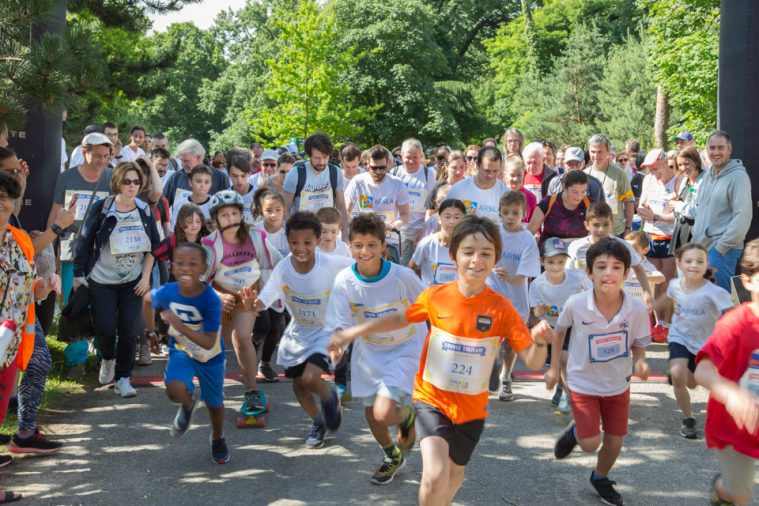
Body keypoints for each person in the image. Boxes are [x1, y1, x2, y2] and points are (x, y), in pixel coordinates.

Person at [330, 214, 554, 504]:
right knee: (434, 475)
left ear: (496, 257)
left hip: (471, 410)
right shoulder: (436, 296)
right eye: (468, 252)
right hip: (430, 400)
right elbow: (398, 317)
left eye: (486, 253)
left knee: (454, 475)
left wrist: (539, 341)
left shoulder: (502, 308)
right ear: (454, 255)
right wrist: (354, 331)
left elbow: (534, 362)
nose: (476, 260)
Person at [548, 238, 651, 506]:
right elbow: (559, 331)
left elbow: (640, 344)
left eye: (617, 267)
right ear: (589, 272)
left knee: (615, 444)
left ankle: (600, 476)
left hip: (618, 385)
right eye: (601, 267)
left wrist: (640, 361)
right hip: (582, 382)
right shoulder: (576, 303)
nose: (609, 273)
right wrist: (554, 367)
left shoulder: (637, 309)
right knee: (590, 443)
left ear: (626, 274)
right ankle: (576, 433)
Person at [325, 213, 426, 485]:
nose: (364, 251)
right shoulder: (345, 280)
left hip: (406, 349)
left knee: (383, 411)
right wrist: (338, 345)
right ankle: (393, 456)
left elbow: (428, 307)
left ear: (384, 245)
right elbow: (340, 322)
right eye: (358, 245)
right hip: (369, 353)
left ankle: (407, 414)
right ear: (350, 246)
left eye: (371, 245)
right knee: (372, 415)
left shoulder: (402, 277)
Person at [240, 212, 349, 448]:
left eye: (307, 243)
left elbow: (362, 269)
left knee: (311, 379)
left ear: (318, 241)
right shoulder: (283, 268)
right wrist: (253, 305)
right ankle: (318, 422)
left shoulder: (331, 264)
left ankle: (329, 396)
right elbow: (265, 298)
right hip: (299, 334)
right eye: (294, 242)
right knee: (299, 387)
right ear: (287, 241)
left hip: (326, 332)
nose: (300, 248)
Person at [74, 161, 161, 397]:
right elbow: (84, 241)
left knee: (128, 330)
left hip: (133, 281)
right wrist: (78, 275)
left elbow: (155, 247)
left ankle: (124, 377)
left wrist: (145, 278)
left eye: (136, 181)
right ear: (117, 183)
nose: (132, 186)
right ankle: (108, 358)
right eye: (127, 181)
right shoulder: (102, 208)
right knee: (104, 327)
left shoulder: (144, 210)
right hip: (102, 280)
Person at [0, 172, 60, 502]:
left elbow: (26, 291)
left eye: (6, 197)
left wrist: (43, 286)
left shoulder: (18, 240)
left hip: (9, 347)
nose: (1, 203)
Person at [143, 242, 229, 464]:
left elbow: (210, 342)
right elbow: (147, 300)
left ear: (203, 269)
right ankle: (188, 404)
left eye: (193, 264)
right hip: (182, 350)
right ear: (172, 267)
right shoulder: (169, 291)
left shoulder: (210, 299)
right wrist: (151, 332)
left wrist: (180, 327)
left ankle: (218, 437)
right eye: (180, 263)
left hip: (210, 357)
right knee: (173, 389)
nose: (185, 269)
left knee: (215, 404)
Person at [201, 190, 282, 419]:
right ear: (216, 220)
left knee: (242, 337)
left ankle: (251, 390)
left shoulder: (255, 237)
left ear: (241, 215)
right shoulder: (209, 244)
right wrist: (216, 296)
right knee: (215, 345)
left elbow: (277, 264)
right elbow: (198, 280)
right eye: (224, 215)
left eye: (234, 214)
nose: (230, 220)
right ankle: (212, 387)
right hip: (220, 296)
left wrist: (264, 296)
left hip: (247, 294)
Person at [694, 239, 759, 506]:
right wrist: (732, 395)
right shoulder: (735, 323)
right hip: (735, 427)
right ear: (748, 280)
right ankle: (722, 490)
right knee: (740, 495)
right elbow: (703, 372)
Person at [654, 244, 733, 440]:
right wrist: (647, 309)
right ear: (679, 264)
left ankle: (686, 375)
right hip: (679, 337)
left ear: (707, 265)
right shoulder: (675, 285)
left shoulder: (715, 292)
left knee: (693, 383)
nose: (694, 265)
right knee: (679, 375)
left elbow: (731, 316)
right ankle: (688, 419)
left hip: (704, 345)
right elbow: (666, 297)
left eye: (700, 261)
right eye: (688, 261)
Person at [49, 132, 114, 305]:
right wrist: (49, 249)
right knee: (73, 301)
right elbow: (55, 213)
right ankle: (72, 332)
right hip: (72, 248)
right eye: (97, 156)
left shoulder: (112, 178)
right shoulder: (66, 178)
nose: (102, 161)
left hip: (100, 252)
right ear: (84, 151)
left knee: (98, 303)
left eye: (106, 156)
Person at [487, 191, 540, 402]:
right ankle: (491, 364)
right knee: (489, 337)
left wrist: (510, 277)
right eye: (506, 212)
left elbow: (523, 277)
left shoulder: (527, 240)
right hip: (491, 293)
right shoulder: (493, 232)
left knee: (511, 345)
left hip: (516, 298)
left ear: (524, 214)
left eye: (515, 213)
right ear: (500, 212)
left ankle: (506, 377)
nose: (510, 216)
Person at [528, 237, 591, 416]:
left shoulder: (576, 278)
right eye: (550, 262)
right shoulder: (537, 285)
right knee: (560, 362)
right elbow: (535, 314)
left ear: (567, 261)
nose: (556, 266)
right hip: (552, 330)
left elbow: (590, 296)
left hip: (573, 326)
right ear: (542, 261)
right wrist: (539, 314)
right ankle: (563, 389)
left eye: (561, 262)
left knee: (564, 359)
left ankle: (567, 395)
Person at [691, 131, 752, 292]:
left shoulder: (738, 177)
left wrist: (721, 248)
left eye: (720, 148)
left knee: (719, 302)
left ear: (729, 149)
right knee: (705, 302)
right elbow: (701, 211)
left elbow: (743, 217)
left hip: (722, 251)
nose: (716, 152)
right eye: (712, 148)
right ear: (706, 150)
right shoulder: (708, 176)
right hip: (702, 248)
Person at [566, 202, 654, 308]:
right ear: (587, 225)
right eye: (596, 225)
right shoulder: (576, 247)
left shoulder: (623, 246)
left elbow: (639, 268)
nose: (601, 230)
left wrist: (646, 292)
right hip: (583, 306)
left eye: (606, 224)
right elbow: (567, 275)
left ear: (612, 223)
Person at [344, 145, 410, 263]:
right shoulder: (358, 181)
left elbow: (405, 215)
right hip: (364, 239)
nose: (378, 172)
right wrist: (357, 226)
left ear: (389, 163)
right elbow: (345, 212)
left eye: (382, 168)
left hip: (389, 241)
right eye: (374, 168)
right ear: (367, 164)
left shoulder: (397, 184)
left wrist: (394, 225)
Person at [282, 133, 350, 239]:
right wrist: (293, 234)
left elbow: (341, 205)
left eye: (325, 157)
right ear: (309, 155)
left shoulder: (335, 172)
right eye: (317, 158)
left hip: (328, 234)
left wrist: (345, 236)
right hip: (302, 232)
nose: (322, 162)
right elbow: (285, 208)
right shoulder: (295, 174)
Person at [391, 139, 437, 266]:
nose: (411, 161)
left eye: (415, 157)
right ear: (401, 156)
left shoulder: (429, 174)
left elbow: (432, 204)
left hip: (421, 229)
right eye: (408, 157)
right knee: (401, 266)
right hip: (401, 230)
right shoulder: (395, 173)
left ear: (421, 157)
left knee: (419, 267)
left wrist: (425, 228)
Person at [584, 134, 635, 237]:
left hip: (616, 231)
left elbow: (629, 201)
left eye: (600, 152)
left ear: (608, 152)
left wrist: (628, 228)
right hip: (592, 233)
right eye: (593, 152)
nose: (596, 156)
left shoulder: (619, 174)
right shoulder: (584, 175)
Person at [409, 199, 466, 286]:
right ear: (439, 218)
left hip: (457, 298)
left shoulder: (468, 246)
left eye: (457, 217)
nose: (452, 221)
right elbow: (411, 269)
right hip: (431, 298)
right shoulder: (426, 244)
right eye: (447, 217)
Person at [446, 146, 508, 223]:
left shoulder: (505, 194)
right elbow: (444, 216)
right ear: (478, 165)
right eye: (487, 171)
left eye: (495, 171)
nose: (491, 175)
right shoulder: (458, 190)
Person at [528, 170, 591, 245]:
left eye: (583, 192)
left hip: (578, 250)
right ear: (564, 187)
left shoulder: (590, 204)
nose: (579, 196)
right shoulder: (548, 202)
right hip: (551, 251)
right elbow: (529, 233)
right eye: (575, 192)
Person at [162, 139, 230, 207]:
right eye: (181, 160)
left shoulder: (220, 178)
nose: (182, 165)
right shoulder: (176, 178)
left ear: (199, 157)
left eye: (186, 161)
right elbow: (162, 206)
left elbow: (228, 207)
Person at [669, 146, 704, 253]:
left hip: (695, 236)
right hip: (681, 232)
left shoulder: (705, 182)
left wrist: (678, 205)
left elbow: (700, 213)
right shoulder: (685, 181)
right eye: (680, 165)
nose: (683, 168)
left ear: (696, 161)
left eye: (686, 163)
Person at [169, 165, 213, 230]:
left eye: (206, 182)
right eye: (198, 181)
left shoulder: (214, 205)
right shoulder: (180, 205)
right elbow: (173, 232)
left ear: (211, 184)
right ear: (190, 182)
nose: (202, 185)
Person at [424, 151, 466, 219]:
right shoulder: (439, 186)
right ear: (447, 167)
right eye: (454, 168)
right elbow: (429, 214)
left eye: (462, 167)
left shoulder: (469, 186)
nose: (458, 172)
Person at [502, 156, 537, 223]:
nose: (516, 179)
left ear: (524, 174)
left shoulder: (531, 197)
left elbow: (534, 225)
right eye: (512, 175)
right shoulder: (499, 193)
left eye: (519, 175)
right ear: (505, 174)